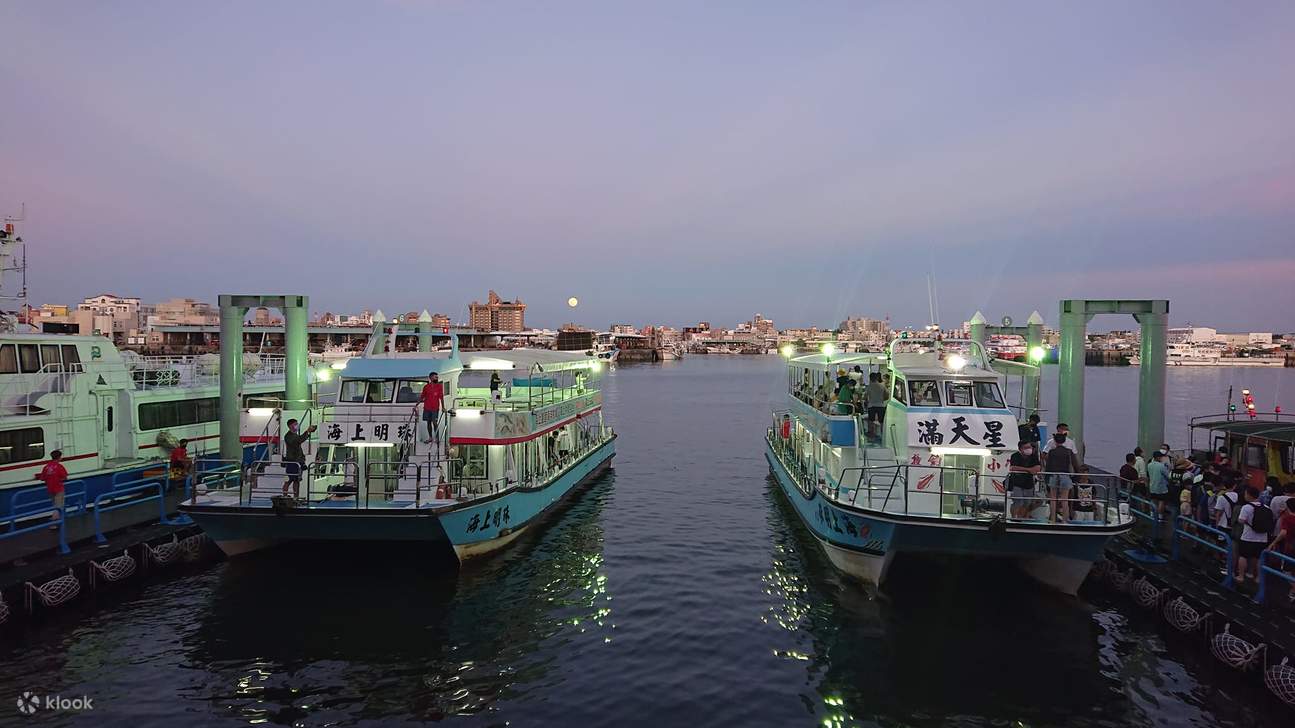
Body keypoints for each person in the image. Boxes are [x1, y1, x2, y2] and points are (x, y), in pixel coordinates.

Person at [1236, 487, 1275, 588]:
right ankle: (1255, 576)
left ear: (1248, 495)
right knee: (1257, 558)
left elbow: (1241, 520)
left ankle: (1241, 576)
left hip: (1248, 537)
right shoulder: (1266, 507)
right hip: (1262, 538)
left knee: (1243, 556)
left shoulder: (1246, 507)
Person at [1043, 432, 1078, 522]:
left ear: (1055, 441)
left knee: (1053, 499)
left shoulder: (1052, 452)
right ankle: (1065, 521)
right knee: (1065, 499)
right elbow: (1071, 464)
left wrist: (1046, 477)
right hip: (1065, 475)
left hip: (1054, 475)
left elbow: (1049, 466)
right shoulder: (1068, 451)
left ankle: (1053, 520)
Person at [1008, 439, 1042, 518]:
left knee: (1027, 502)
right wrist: (1029, 470)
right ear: (1020, 449)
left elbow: (1037, 468)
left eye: (1029, 447)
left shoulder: (1033, 456)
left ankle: (1022, 516)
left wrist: (1031, 470)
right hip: (1016, 483)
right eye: (1026, 447)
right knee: (1018, 501)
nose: (1029, 449)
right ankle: (1014, 517)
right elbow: (1013, 468)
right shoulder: (1015, 456)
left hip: (1029, 483)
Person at [282, 419, 316, 497]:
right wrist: (307, 431)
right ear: (290, 426)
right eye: (295, 424)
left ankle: (296, 497)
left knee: (297, 481)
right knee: (288, 480)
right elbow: (299, 440)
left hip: (298, 461)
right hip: (292, 462)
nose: (297, 425)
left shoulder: (295, 435)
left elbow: (299, 439)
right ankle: (284, 497)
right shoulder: (288, 436)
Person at [36, 449, 68, 528]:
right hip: (58, 488)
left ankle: (58, 521)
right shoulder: (59, 466)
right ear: (59, 457)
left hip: (50, 489)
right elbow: (65, 477)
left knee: (55, 506)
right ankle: (53, 523)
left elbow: (42, 478)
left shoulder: (46, 467)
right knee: (59, 506)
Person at [416, 372, 446, 445]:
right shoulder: (426, 387)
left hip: (435, 408)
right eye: (435, 377)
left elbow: (441, 397)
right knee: (428, 422)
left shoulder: (439, 386)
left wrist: (443, 407)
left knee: (435, 423)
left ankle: (437, 438)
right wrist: (416, 405)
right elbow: (422, 396)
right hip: (427, 407)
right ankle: (430, 437)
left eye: (437, 377)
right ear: (431, 378)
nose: (437, 378)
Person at [1146, 450, 1172, 521]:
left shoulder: (1149, 465)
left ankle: (1151, 514)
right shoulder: (1161, 466)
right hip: (1161, 488)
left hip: (1152, 487)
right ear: (1157, 457)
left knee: (1153, 500)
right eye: (1160, 457)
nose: (1161, 458)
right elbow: (1168, 476)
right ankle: (1160, 517)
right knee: (1161, 501)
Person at [865, 373, 887, 441]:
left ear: (870, 378)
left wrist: (867, 401)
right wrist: (882, 399)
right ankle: (883, 435)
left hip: (871, 405)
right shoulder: (882, 386)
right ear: (877, 378)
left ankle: (871, 436)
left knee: (871, 421)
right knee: (882, 422)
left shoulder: (869, 386)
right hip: (881, 405)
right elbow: (887, 395)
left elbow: (865, 396)